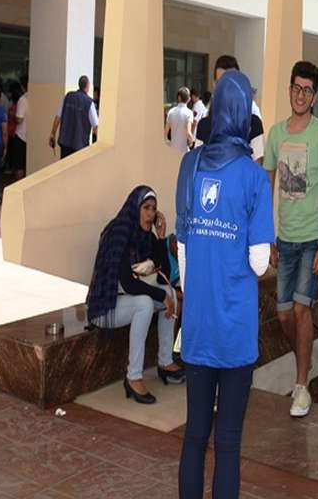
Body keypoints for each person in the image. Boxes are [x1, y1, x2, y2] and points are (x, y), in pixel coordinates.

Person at [175, 70, 274, 499]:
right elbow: (259, 263)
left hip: (198, 324)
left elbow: (182, 251)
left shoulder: (189, 165)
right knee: (228, 440)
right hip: (235, 328)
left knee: (195, 434)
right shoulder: (253, 177)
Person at [264, 60, 318, 418]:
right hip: (285, 238)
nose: (300, 95)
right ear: (290, 89)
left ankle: (301, 386)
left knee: (300, 308)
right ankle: (304, 362)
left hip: (312, 238)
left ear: (314, 96)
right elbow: (266, 187)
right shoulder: (276, 134)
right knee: (283, 316)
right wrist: (266, 238)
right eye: (296, 88)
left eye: (307, 90)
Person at [86, 185, 184, 405]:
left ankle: (165, 362)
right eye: (146, 208)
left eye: (154, 209)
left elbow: (163, 277)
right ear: (135, 208)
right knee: (145, 304)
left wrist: (160, 238)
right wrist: (161, 297)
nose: (150, 214)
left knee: (170, 293)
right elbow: (129, 284)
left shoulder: (145, 236)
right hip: (105, 306)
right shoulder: (118, 232)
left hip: (126, 299)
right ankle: (133, 377)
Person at [197, 55, 264, 161]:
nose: (227, 89)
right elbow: (198, 164)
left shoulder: (254, 124)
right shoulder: (204, 126)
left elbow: (257, 165)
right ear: (214, 85)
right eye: (222, 83)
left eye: (232, 83)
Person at [49, 75, 98, 158]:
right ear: (88, 86)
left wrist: (52, 133)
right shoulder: (89, 103)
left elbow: (58, 117)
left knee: (65, 165)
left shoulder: (68, 96)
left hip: (65, 142)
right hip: (80, 145)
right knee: (78, 166)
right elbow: (96, 126)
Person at [9, 76, 28, 180]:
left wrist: (13, 116)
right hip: (30, 136)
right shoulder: (35, 96)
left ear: (22, 87)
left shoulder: (23, 99)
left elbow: (19, 119)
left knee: (19, 165)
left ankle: (19, 185)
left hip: (21, 136)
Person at [166, 86, 195, 154]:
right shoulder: (189, 113)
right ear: (189, 99)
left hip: (172, 149)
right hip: (184, 150)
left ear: (178, 98)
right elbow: (188, 133)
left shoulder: (171, 112)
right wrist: (192, 142)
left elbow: (165, 133)